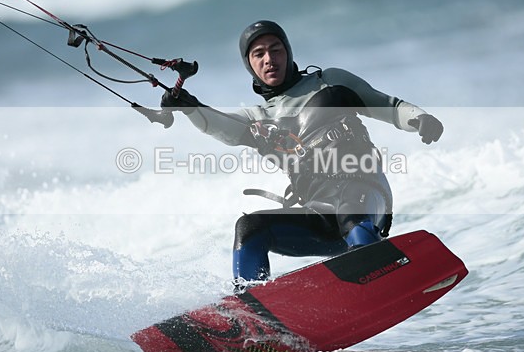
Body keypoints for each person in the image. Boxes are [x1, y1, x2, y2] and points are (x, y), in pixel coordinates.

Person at [161, 20, 443, 291]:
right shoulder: (258, 119)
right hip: (320, 216)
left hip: (366, 196)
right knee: (249, 227)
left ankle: (372, 273)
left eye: (276, 49)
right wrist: (190, 107)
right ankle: (251, 311)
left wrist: (420, 118)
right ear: (250, 65)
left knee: (350, 209)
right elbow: (217, 124)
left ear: (288, 52)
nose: (269, 59)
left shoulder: (330, 83)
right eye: (258, 54)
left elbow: (389, 106)